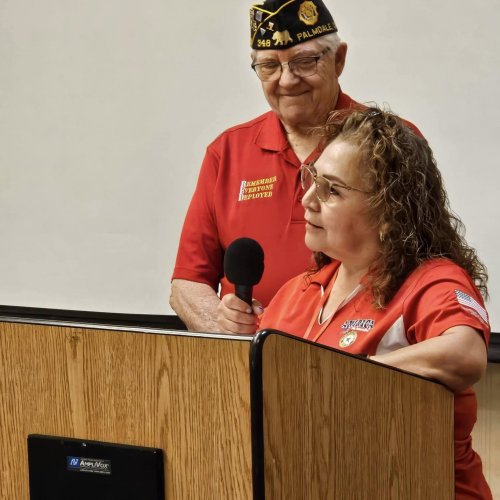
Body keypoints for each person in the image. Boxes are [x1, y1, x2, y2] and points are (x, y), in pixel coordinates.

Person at [217, 108, 492, 499]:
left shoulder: (431, 280)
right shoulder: (300, 290)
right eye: (311, 179)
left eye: (332, 190)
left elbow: (463, 355)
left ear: (388, 211)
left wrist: (338, 379)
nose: (307, 199)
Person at [170, 0, 420, 332]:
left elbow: (423, 259)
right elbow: (187, 283)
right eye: (269, 66)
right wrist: (222, 327)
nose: (287, 81)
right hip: (251, 363)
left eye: (304, 61)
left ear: (339, 59)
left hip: (355, 357)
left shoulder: (389, 144)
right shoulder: (226, 152)